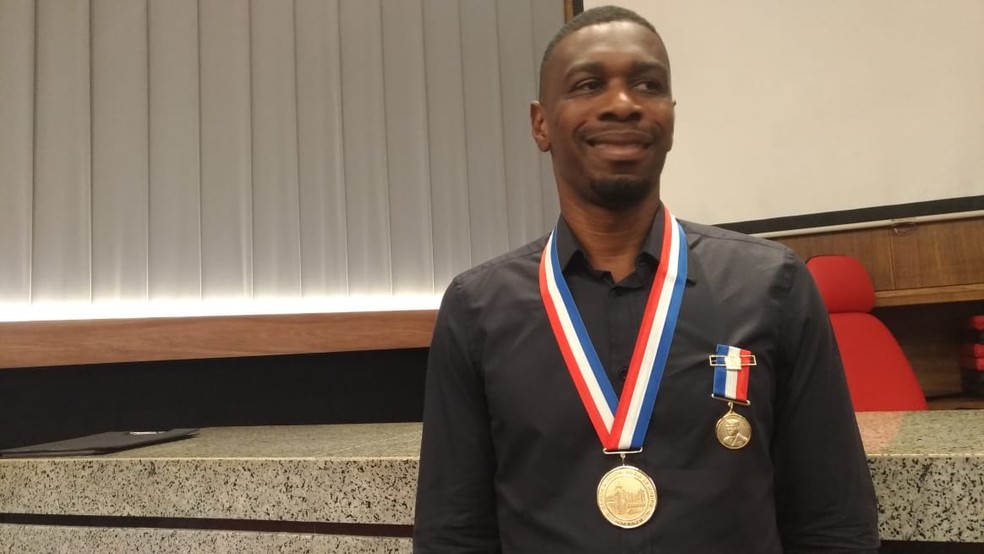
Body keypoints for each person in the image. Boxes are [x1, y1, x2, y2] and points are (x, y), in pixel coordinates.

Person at [413, 5, 879, 553]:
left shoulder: (772, 286)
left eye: (647, 85)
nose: (622, 104)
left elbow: (834, 521)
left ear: (671, 118)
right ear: (541, 123)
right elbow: (454, 536)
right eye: (588, 84)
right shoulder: (477, 310)